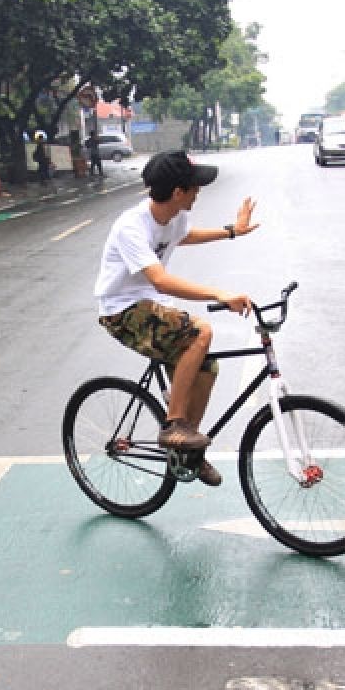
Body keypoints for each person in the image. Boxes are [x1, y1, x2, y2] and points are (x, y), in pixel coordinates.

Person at [93, 151, 258, 487]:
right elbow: (160, 280)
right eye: (195, 187)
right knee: (200, 331)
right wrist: (218, 294)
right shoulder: (131, 226)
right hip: (121, 310)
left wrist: (232, 231)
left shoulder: (174, 217)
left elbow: (186, 235)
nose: (199, 192)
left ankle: (187, 452)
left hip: (150, 305)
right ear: (178, 191)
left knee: (206, 368)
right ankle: (174, 426)